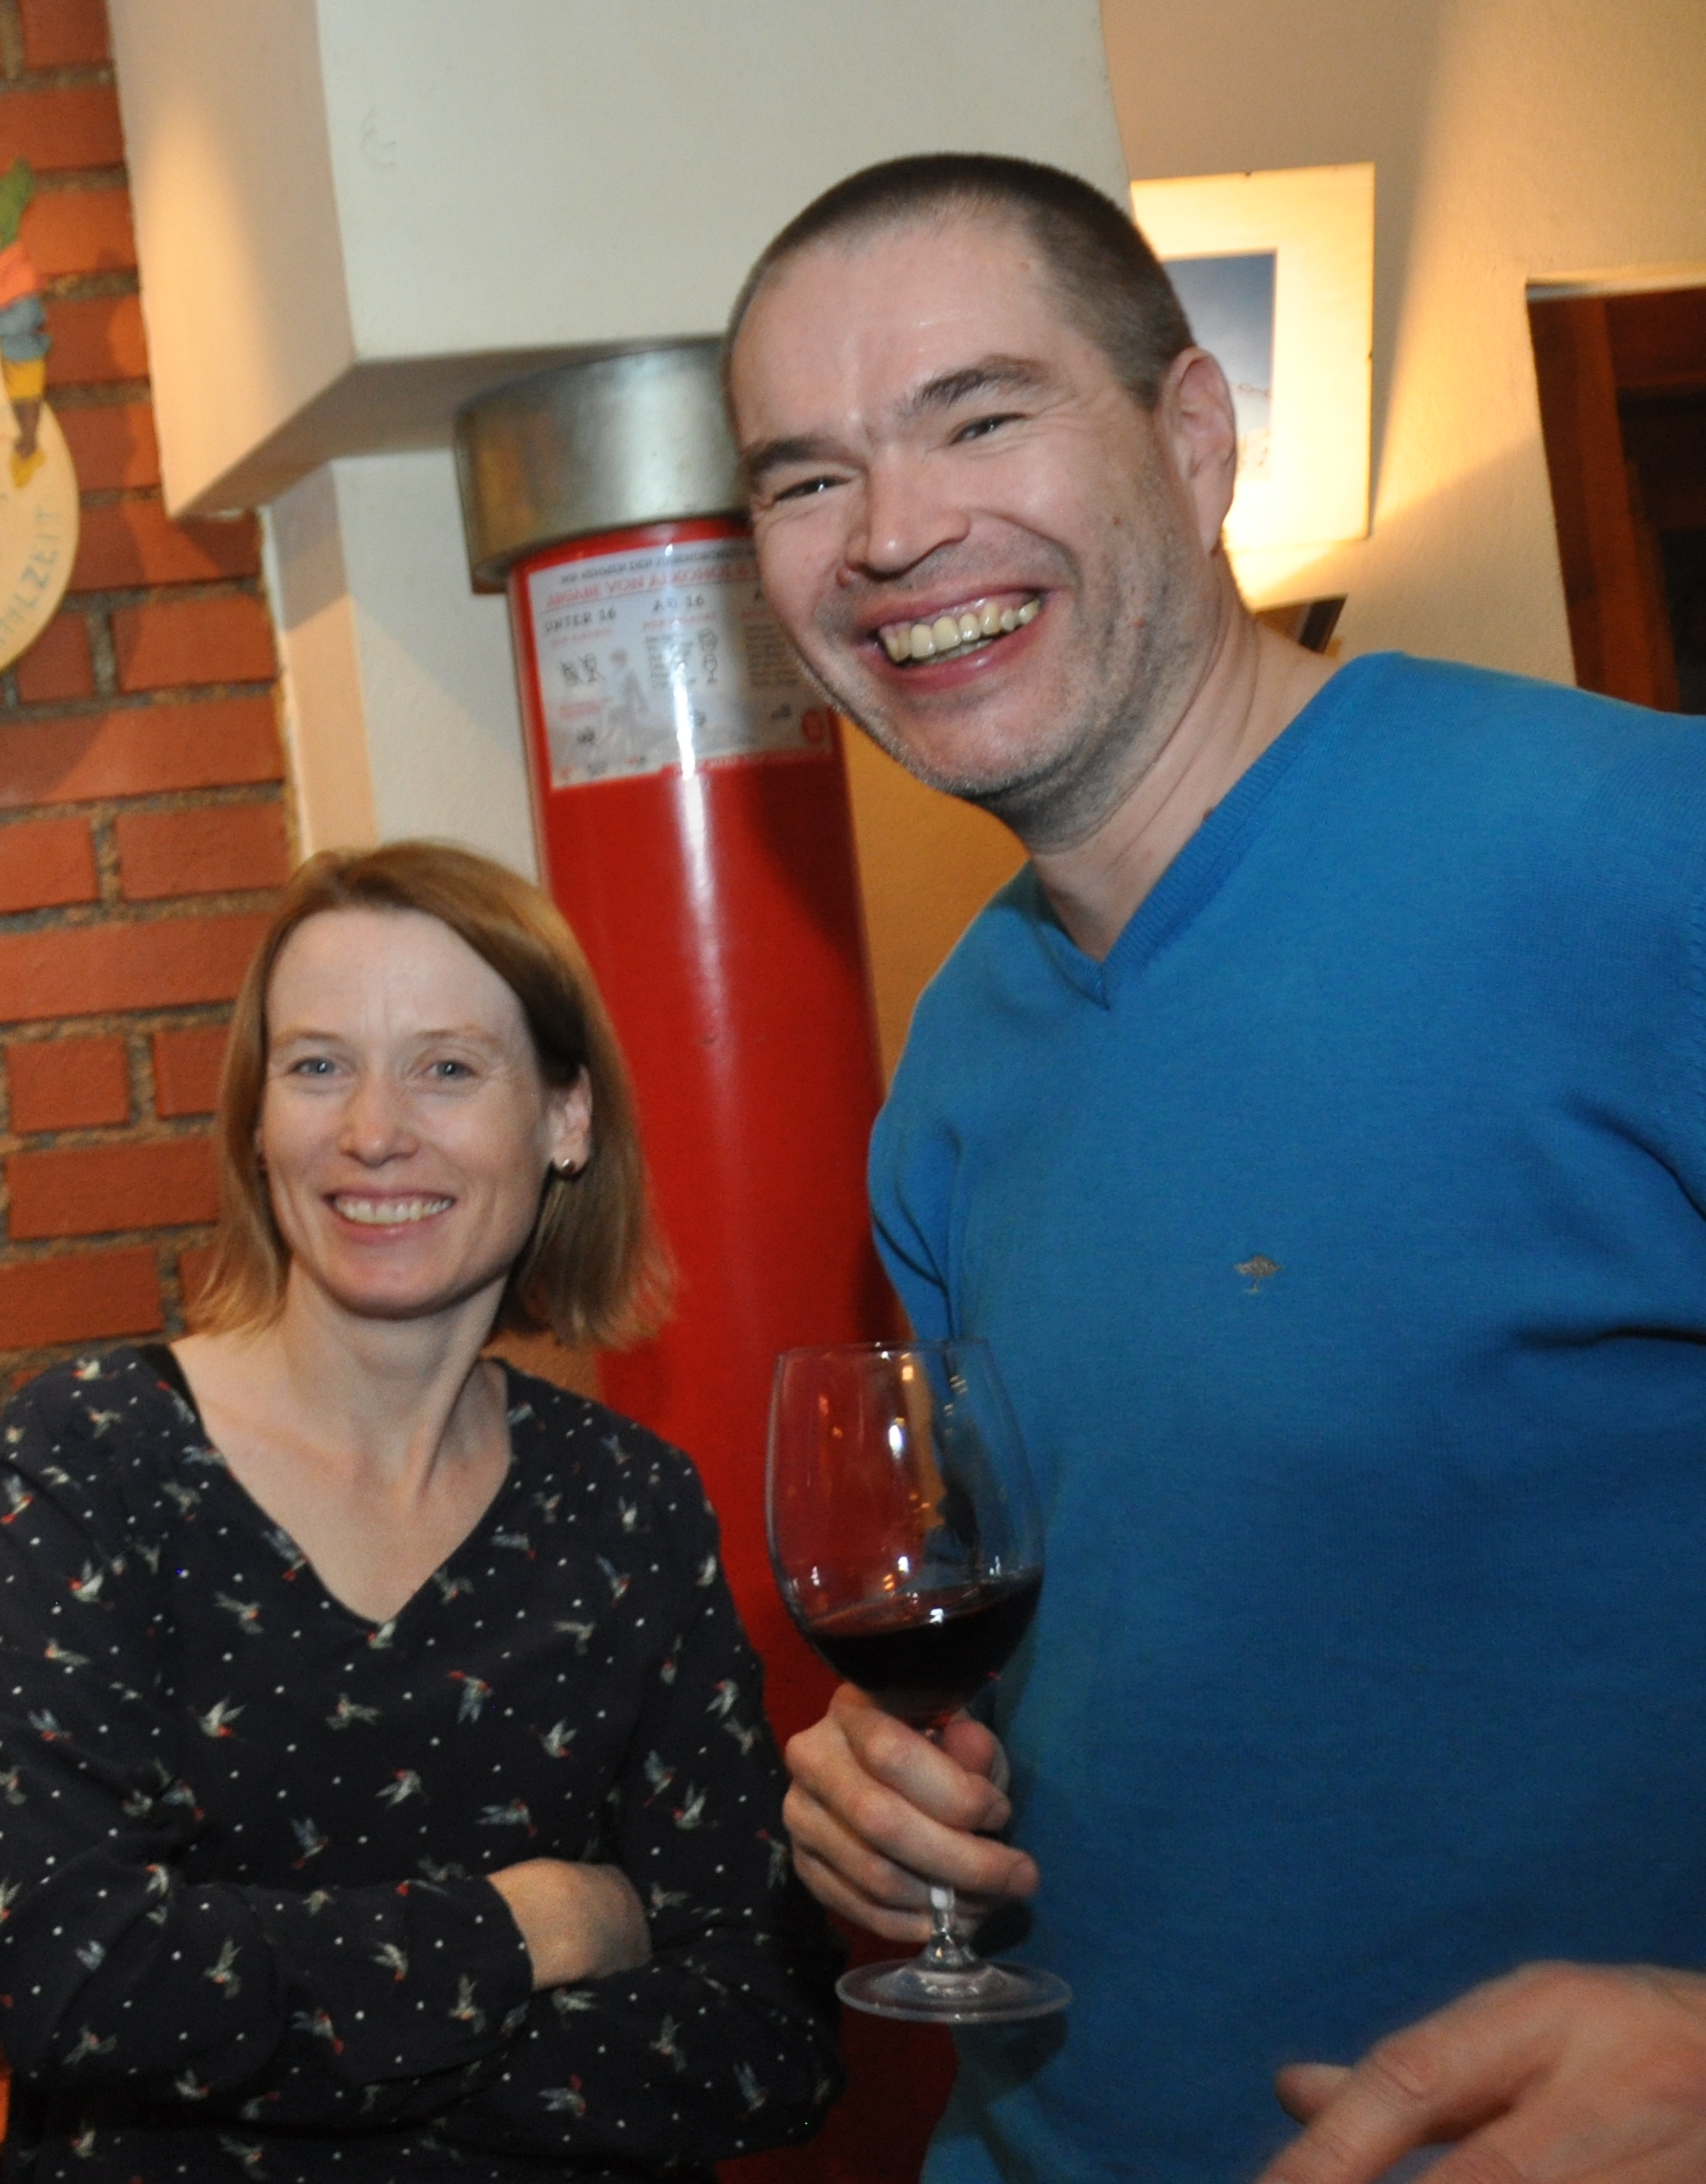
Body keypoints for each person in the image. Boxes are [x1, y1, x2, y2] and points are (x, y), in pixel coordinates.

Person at [722, 152, 1706, 2183]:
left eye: (977, 416)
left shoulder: (1634, 860)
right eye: (807, 475)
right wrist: (887, 1783)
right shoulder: (953, 1067)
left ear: (1189, 436)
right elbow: (1098, 1636)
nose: (891, 532)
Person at [0, 842, 838, 2179]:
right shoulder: (98, 1458)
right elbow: (76, 1981)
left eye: (448, 1068)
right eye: (317, 1066)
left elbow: (766, 2033)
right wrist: (538, 1928)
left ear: (566, 1119)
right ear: (257, 1125)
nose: (372, 1130)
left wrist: (263, 2068)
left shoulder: (628, 1505)